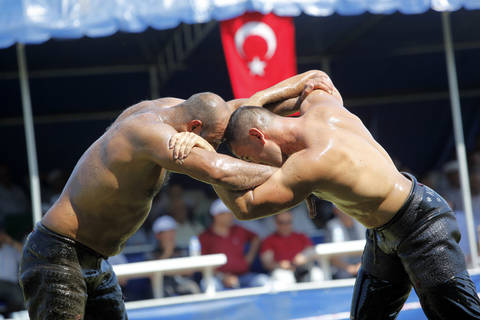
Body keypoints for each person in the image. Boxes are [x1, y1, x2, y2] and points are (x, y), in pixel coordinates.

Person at [19, 70, 331, 320]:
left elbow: (238, 110)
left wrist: (304, 85)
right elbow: (219, 170)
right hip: (59, 255)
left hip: (96, 260)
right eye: (211, 140)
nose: (215, 145)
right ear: (193, 127)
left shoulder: (179, 109)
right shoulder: (150, 132)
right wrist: (303, 178)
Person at [175, 74, 480, 319]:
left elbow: (245, 207)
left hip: (420, 226)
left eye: (246, 156)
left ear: (259, 136)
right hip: (384, 234)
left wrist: (206, 156)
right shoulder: (324, 109)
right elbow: (315, 79)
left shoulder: (312, 161)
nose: (251, 164)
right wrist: (256, 102)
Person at [198, 199, 269, 290]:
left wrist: (248, 259)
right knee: (208, 284)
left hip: (243, 276)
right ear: (217, 215)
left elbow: (256, 238)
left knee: (264, 281)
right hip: (219, 279)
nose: (232, 216)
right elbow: (203, 264)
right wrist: (223, 277)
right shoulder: (204, 237)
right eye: (228, 213)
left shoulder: (239, 230)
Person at [260, 211, 323, 284]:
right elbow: (267, 263)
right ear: (276, 223)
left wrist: (304, 256)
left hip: (303, 269)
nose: (285, 226)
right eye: (282, 222)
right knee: (285, 278)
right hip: (282, 272)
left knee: (317, 274)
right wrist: (280, 265)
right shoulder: (269, 240)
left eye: (288, 222)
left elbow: (313, 253)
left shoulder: (301, 237)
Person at [151, 215, 200, 296]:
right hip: (162, 287)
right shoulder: (151, 253)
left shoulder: (181, 250)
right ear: (158, 235)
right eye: (167, 232)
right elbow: (151, 275)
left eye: (172, 231)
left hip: (182, 285)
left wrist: (166, 271)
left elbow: (189, 272)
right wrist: (167, 253)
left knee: (193, 287)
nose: (171, 235)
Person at [325, 206, 365, 279]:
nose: (346, 211)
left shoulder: (363, 223)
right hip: (343, 272)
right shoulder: (331, 227)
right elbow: (330, 257)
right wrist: (349, 268)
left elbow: (373, 249)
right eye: (341, 207)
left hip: (365, 267)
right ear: (335, 211)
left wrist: (362, 264)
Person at [0, 225, 24, 317]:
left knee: (19, 300)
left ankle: (9, 315)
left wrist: (11, 242)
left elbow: (27, 255)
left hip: (11, 285)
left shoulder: (11, 249)